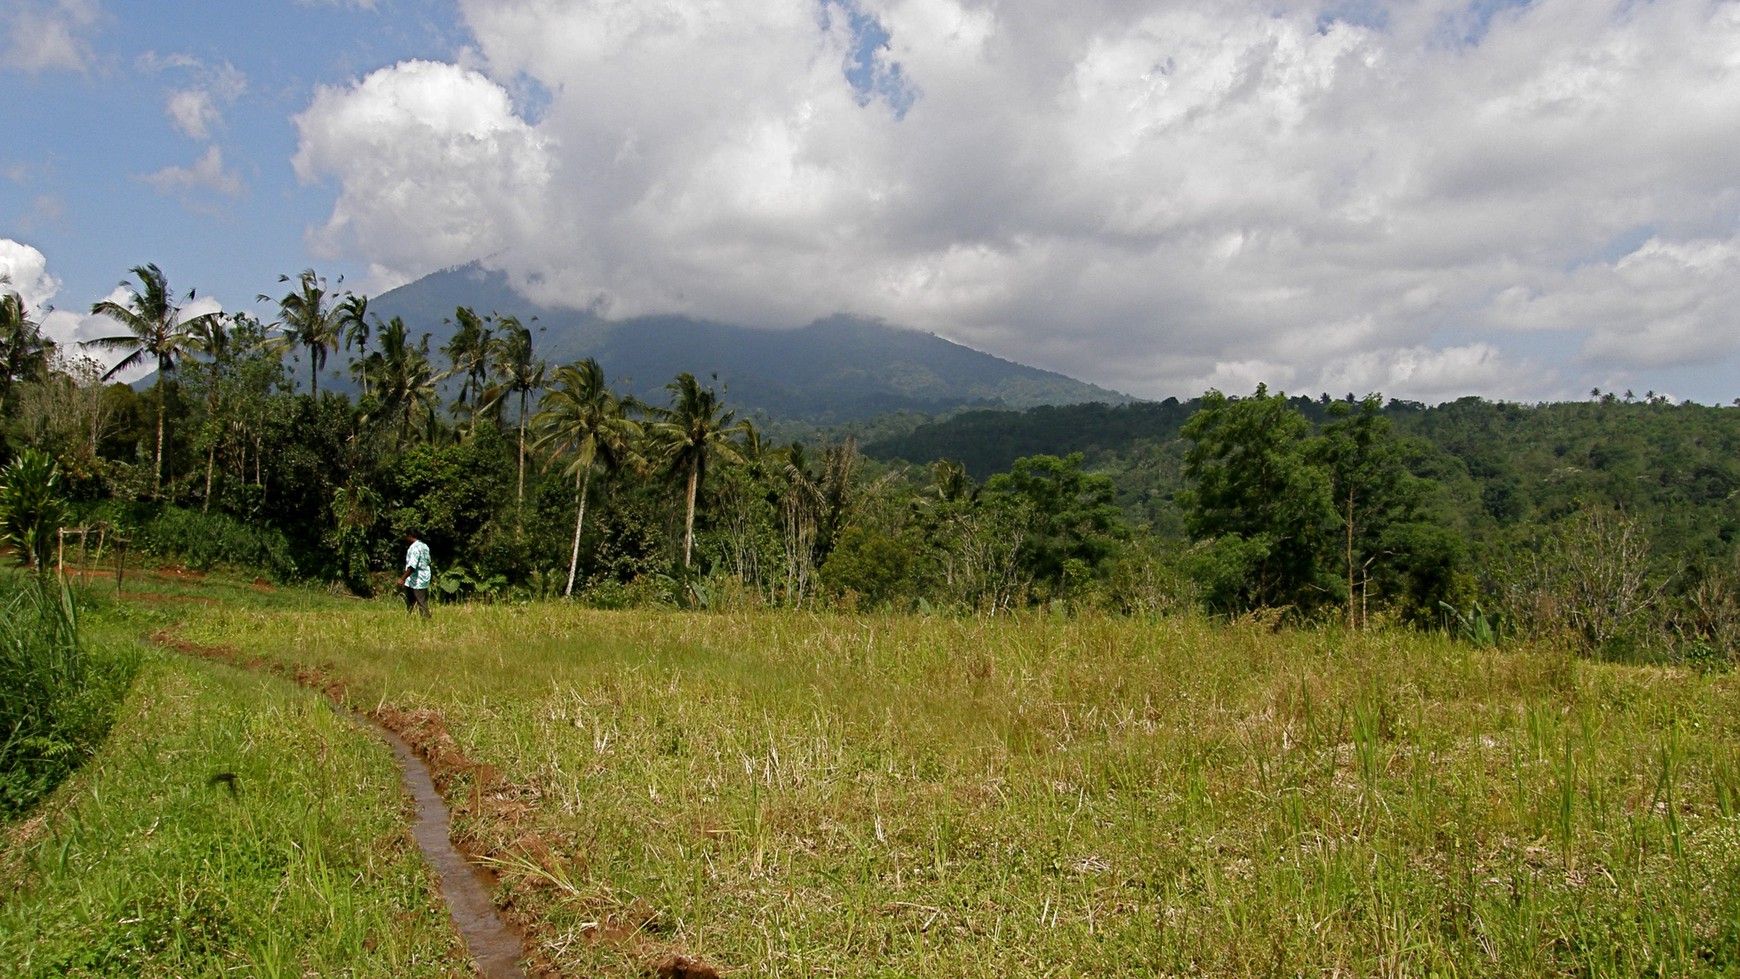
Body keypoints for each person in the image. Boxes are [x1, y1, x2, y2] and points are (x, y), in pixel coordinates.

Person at [400, 530, 432, 619]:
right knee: (413, 600)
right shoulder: (424, 546)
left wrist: (402, 578)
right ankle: (413, 619)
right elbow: (429, 562)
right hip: (423, 577)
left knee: (420, 602)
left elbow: (412, 566)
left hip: (416, 579)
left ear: (410, 536)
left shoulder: (414, 548)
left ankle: (425, 619)